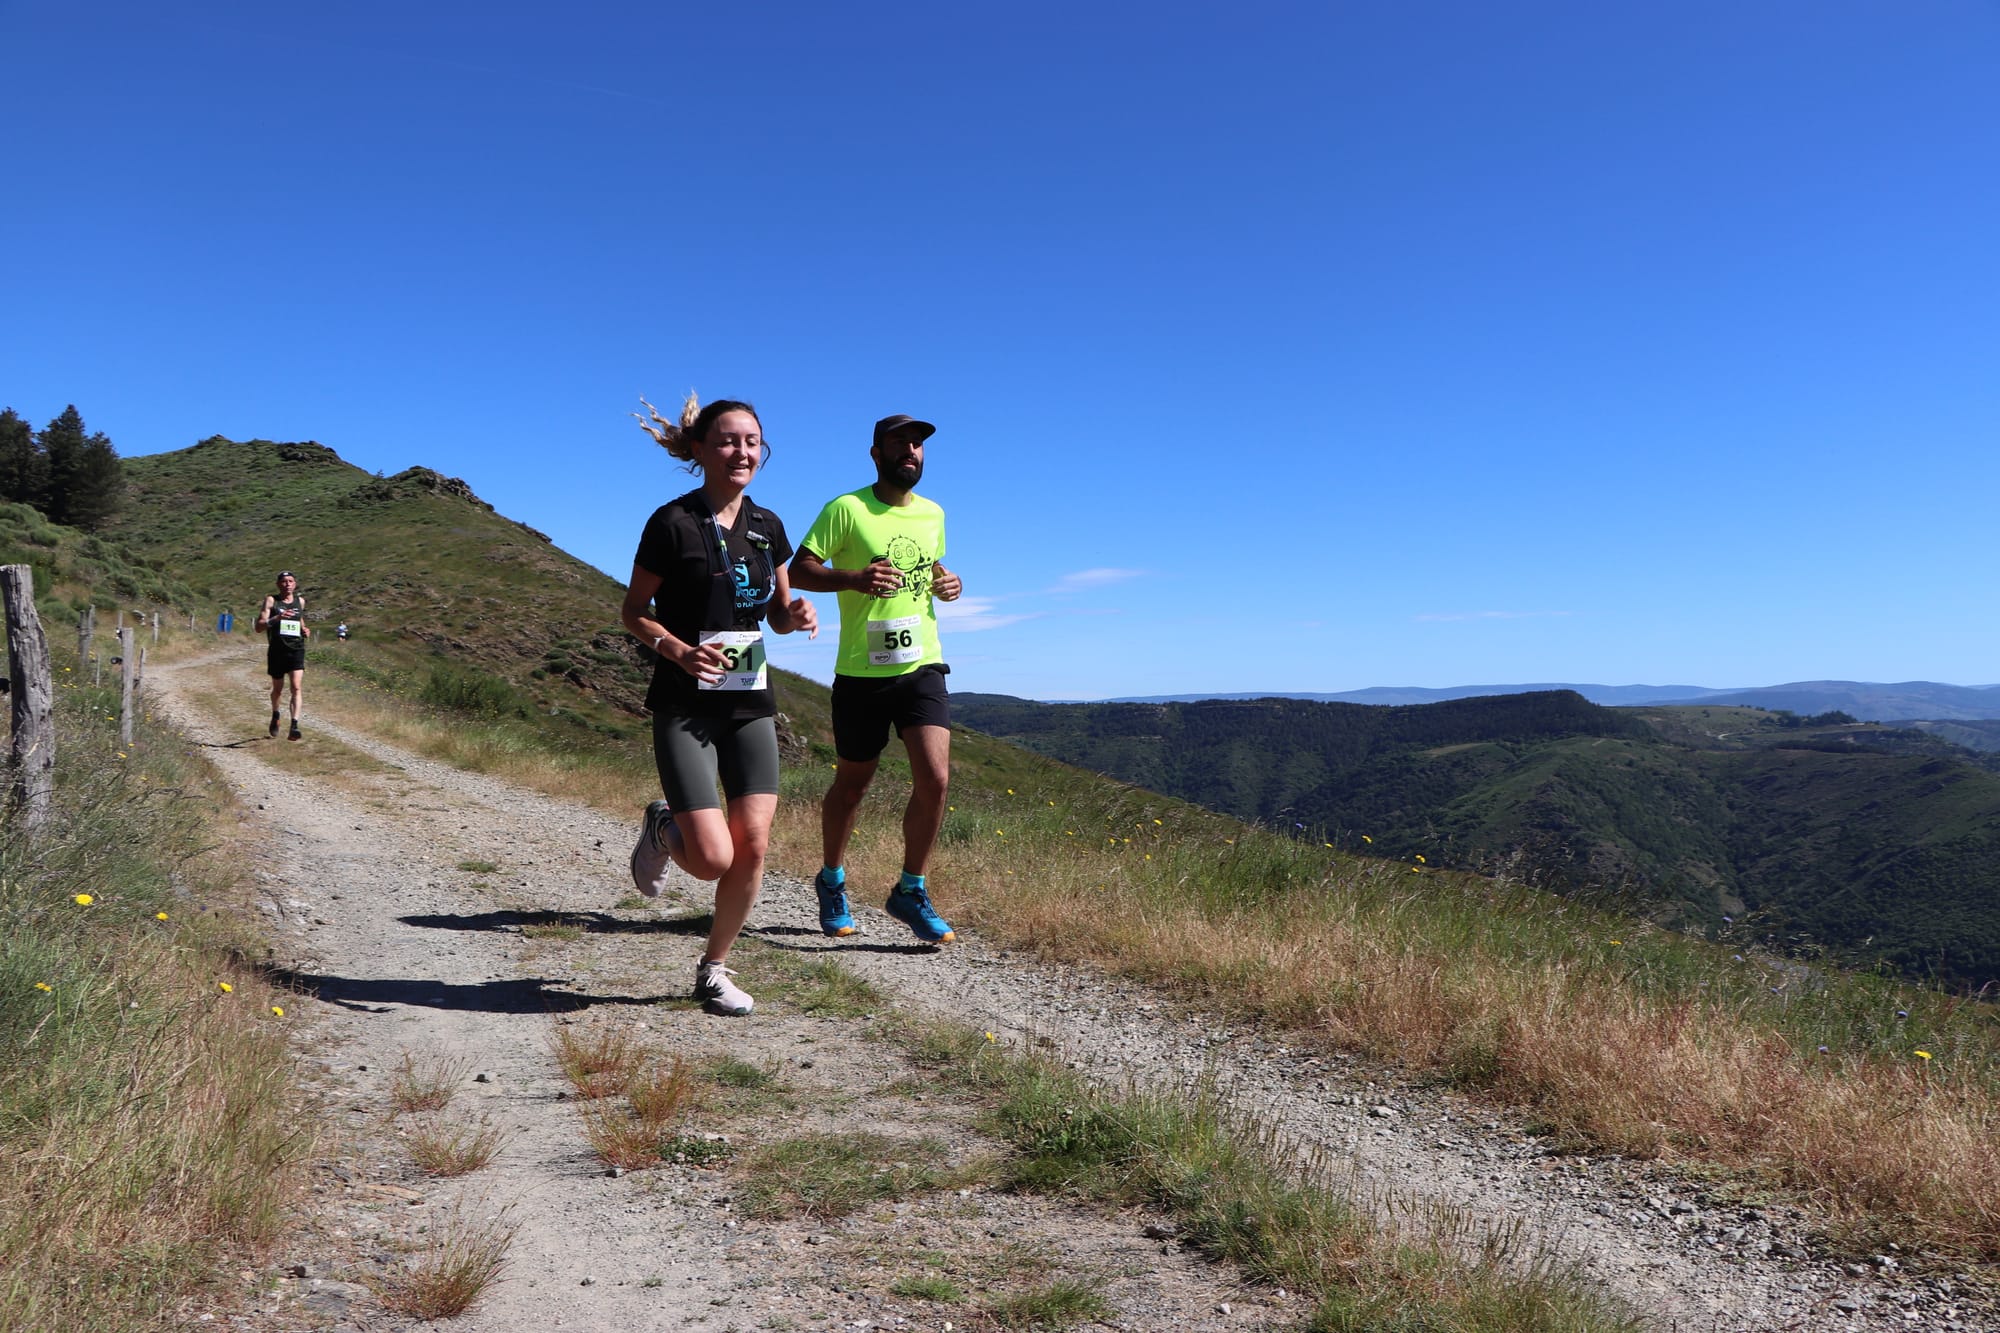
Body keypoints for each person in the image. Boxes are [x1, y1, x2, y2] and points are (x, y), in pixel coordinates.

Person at [622, 393, 818, 1017]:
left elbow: (776, 614)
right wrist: (678, 650)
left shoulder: (768, 526)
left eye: (752, 442)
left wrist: (796, 614)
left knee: (753, 844)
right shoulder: (671, 522)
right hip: (684, 702)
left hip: (748, 699)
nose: (742, 452)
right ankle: (664, 825)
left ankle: (713, 969)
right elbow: (634, 612)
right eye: (729, 440)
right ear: (700, 450)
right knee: (711, 858)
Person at [789, 413, 963, 944]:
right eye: (899, 442)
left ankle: (911, 889)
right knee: (852, 786)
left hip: (922, 665)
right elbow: (799, 570)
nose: (911, 450)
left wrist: (948, 583)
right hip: (862, 673)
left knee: (935, 780)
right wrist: (854, 578)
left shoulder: (933, 513)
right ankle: (831, 880)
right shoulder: (846, 509)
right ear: (876, 453)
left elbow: (930, 570)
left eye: (918, 444)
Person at [254, 571, 309, 740]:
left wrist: (304, 630)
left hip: (296, 649)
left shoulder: (300, 601)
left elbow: (300, 620)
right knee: (278, 689)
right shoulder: (272, 601)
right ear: (278, 584)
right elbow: (259, 627)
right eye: (284, 581)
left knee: (296, 687)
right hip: (277, 650)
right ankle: (276, 714)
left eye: (291, 581)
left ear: (295, 584)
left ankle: (294, 726)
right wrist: (277, 617)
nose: (287, 584)